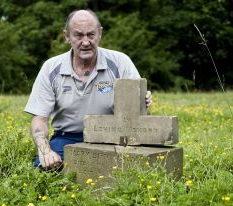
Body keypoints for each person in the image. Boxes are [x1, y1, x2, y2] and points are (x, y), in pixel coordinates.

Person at [24, 9, 152, 171]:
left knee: (134, 173)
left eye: (91, 35)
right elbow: (39, 119)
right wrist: (45, 151)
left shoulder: (120, 62)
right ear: (67, 36)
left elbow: (139, 115)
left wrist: (144, 103)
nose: (85, 42)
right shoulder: (51, 67)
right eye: (78, 35)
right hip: (67, 138)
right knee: (44, 172)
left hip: (113, 136)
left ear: (100, 34)